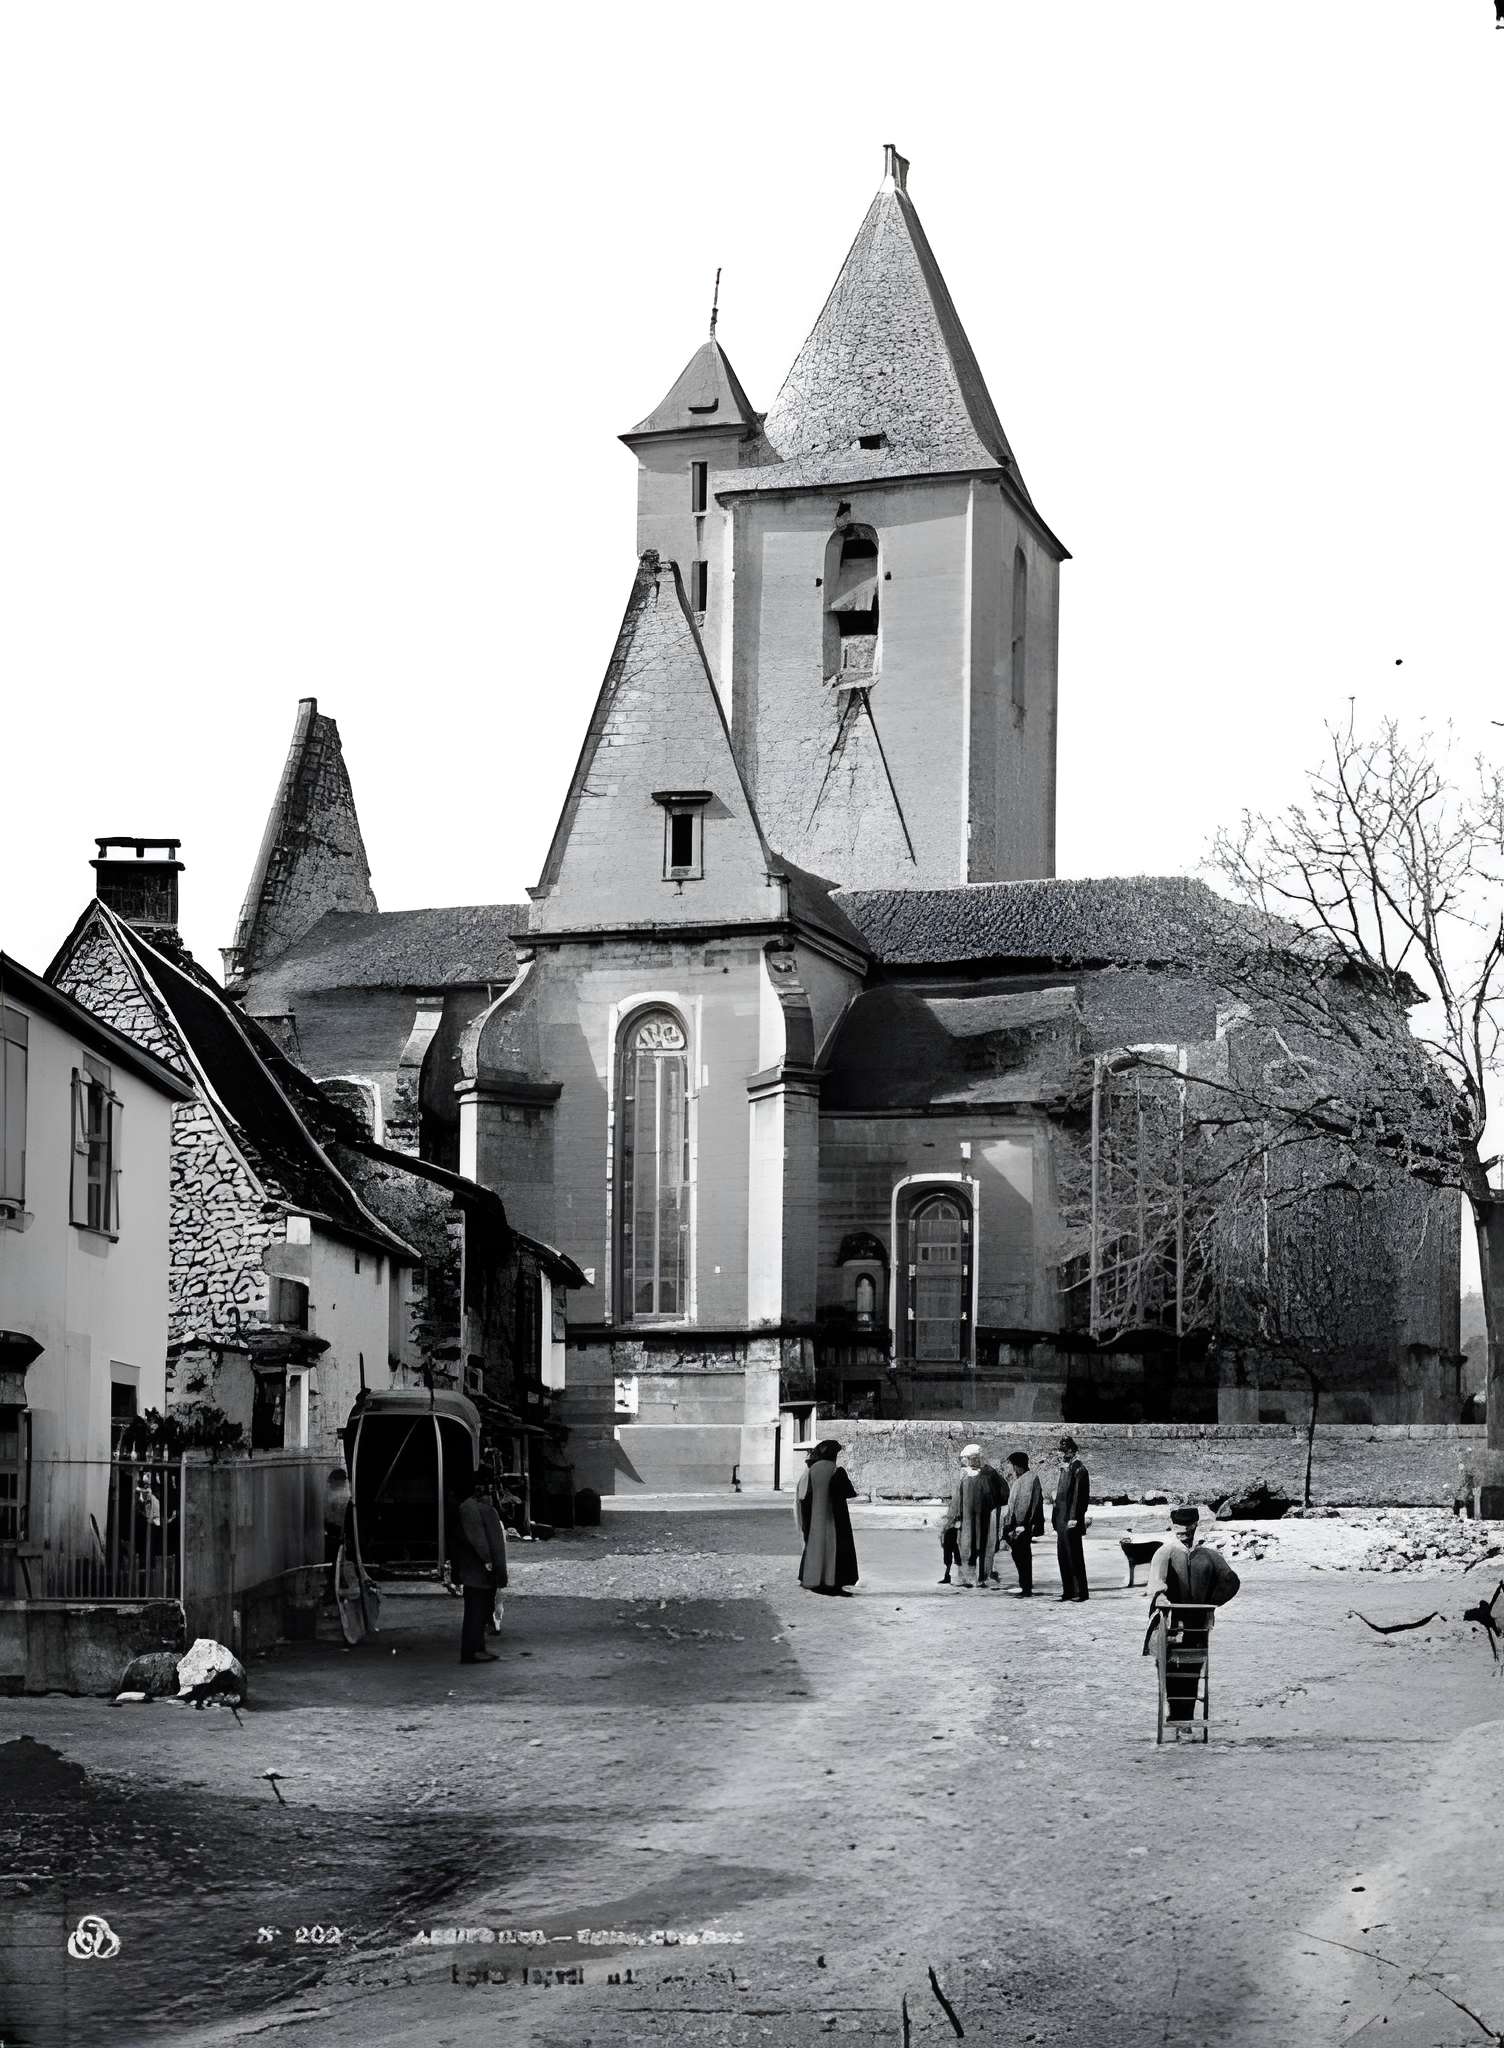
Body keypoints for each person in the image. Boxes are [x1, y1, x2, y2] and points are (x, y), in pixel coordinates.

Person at [1143, 1505, 1241, 1721]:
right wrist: (1162, 1599)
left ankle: (1185, 1718)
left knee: (1193, 1669)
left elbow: (1231, 1581)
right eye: (1179, 1531)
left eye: (1188, 1530)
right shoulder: (1165, 1553)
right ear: (1172, 1528)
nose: (1184, 1535)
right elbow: (1156, 1585)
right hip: (1170, 1623)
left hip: (1197, 1624)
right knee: (1171, 1669)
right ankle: (1176, 1715)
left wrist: (1211, 1603)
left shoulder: (1208, 1556)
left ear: (1196, 1526)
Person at [450, 1476, 509, 1664]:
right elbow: (478, 1539)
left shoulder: (473, 1507)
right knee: (475, 1612)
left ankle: (477, 1648)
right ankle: (472, 1651)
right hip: (477, 1571)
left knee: (480, 1610)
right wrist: (488, 1561)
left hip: (479, 1570)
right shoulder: (470, 1508)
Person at [795, 1440, 859, 1595]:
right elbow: (849, 1492)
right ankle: (833, 1583)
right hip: (834, 1518)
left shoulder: (810, 1471)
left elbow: (802, 1496)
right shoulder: (835, 1470)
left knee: (815, 1546)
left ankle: (812, 1579)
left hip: (813, 1518)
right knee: (836, 1549)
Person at [948, 1445, 1002, 1588]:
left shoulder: (989, 1473)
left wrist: (990, 1505)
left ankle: (982, 1576)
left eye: (972, 1458)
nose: (970, 1461)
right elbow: (956, 1497)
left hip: (984, 1517)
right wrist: (954, 1516)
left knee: (983, 1546)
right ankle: (965, 1577)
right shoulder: (963, 1474)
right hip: (966, 1518)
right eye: (968, 1458)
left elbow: (1001, 1493)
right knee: (965, 1547)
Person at [1052, 1435, 1090, 1601]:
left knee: (1074, 1555)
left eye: (1066, 1452)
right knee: (1063, 1556)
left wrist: (1074, 1517)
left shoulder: (1079, 1469)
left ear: (1073, 1451)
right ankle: (1068, 1590)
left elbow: (1078, 1497)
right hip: (1061, 1519)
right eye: (1062, 1452)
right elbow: (1060, 1495)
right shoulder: (1064, 1469)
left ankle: (1080, 1592)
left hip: (1070, 1520)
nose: (1063, 1455)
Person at [1001, 1450, 1044, 1597]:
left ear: (1019, 1465)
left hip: (1022, 1524)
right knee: (1019, 1555)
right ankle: (1025, 1584)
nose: (1012, 1468)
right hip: (1018, 1523)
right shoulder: (1022, 1479)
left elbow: (1024, 1505)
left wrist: (1020, 1525)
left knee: (1023, 1556)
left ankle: (1026, 1586)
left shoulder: (1029, 1479)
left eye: (1013, 1465)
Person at [322, 1467, 351, 1604]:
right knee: (340, 1560)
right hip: (342, 1533)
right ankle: (341, 1582)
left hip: (334, 1532)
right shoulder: (347, 1496)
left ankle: (331, 1590)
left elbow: (328, 1517)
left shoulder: (332, 1497)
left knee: (332, 1562)